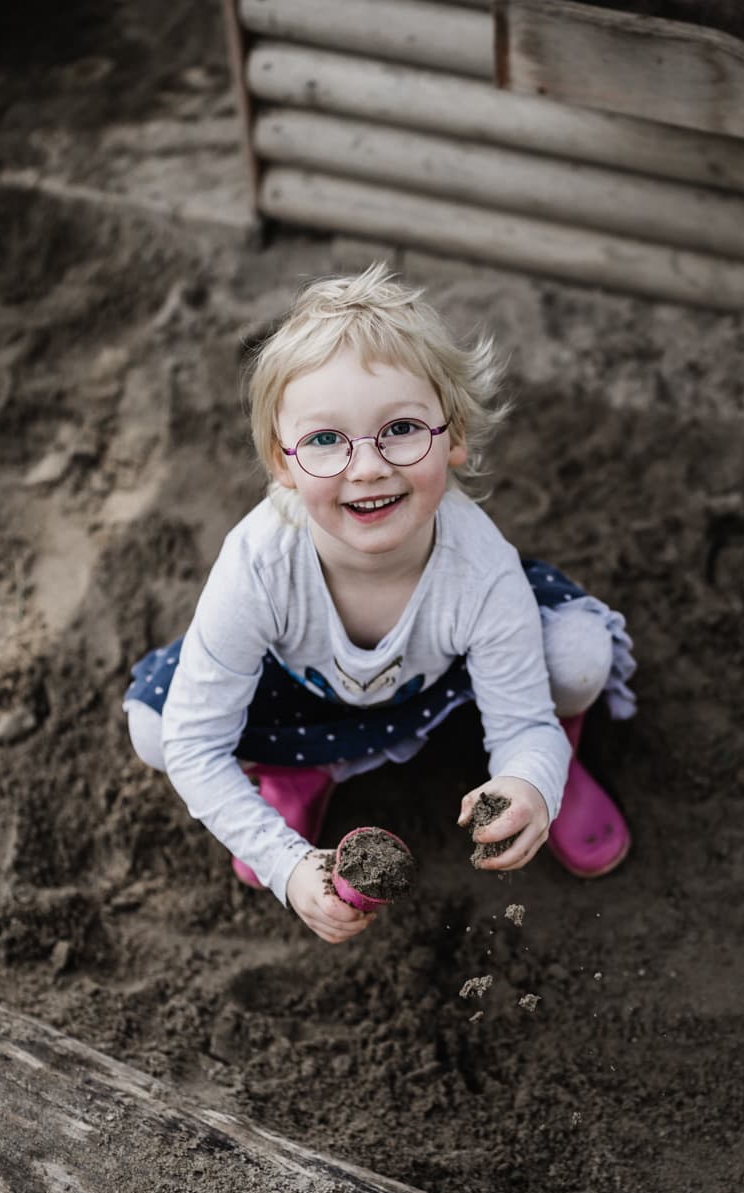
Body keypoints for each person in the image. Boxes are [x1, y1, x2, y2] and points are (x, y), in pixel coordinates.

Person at [123, 265, 635, 944]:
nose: (367, 466)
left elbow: (521, 721)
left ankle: (561, 776)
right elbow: (196, 742)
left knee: (576, 659)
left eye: (399, 428)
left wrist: (528, 777)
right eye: (326, 439)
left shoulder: (480, 567)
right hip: (305, 693)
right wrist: (288, 865)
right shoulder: (258, 565)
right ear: (283, 462)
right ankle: (300, 766)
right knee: (156, 731)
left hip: (443, 680)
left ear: (452, 437)